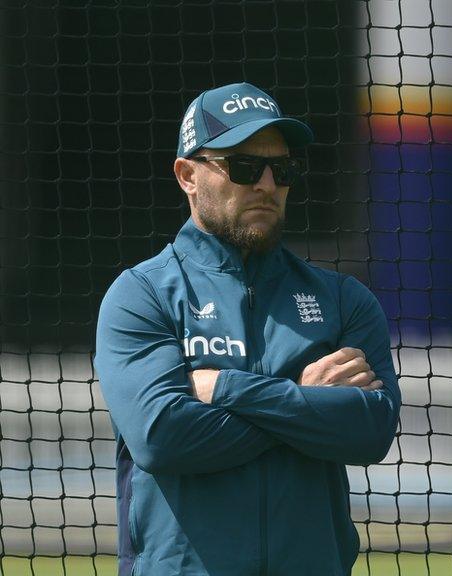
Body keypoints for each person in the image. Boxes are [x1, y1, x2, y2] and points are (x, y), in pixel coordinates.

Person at [95, 82, 401, 576]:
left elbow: (371, 431)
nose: (265, 184)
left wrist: (223, 388)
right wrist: (304, 401)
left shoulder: (344, 299)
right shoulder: (141, 295)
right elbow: (162, 437)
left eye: (281, 169)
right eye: (243, 167)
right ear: (187, 175)